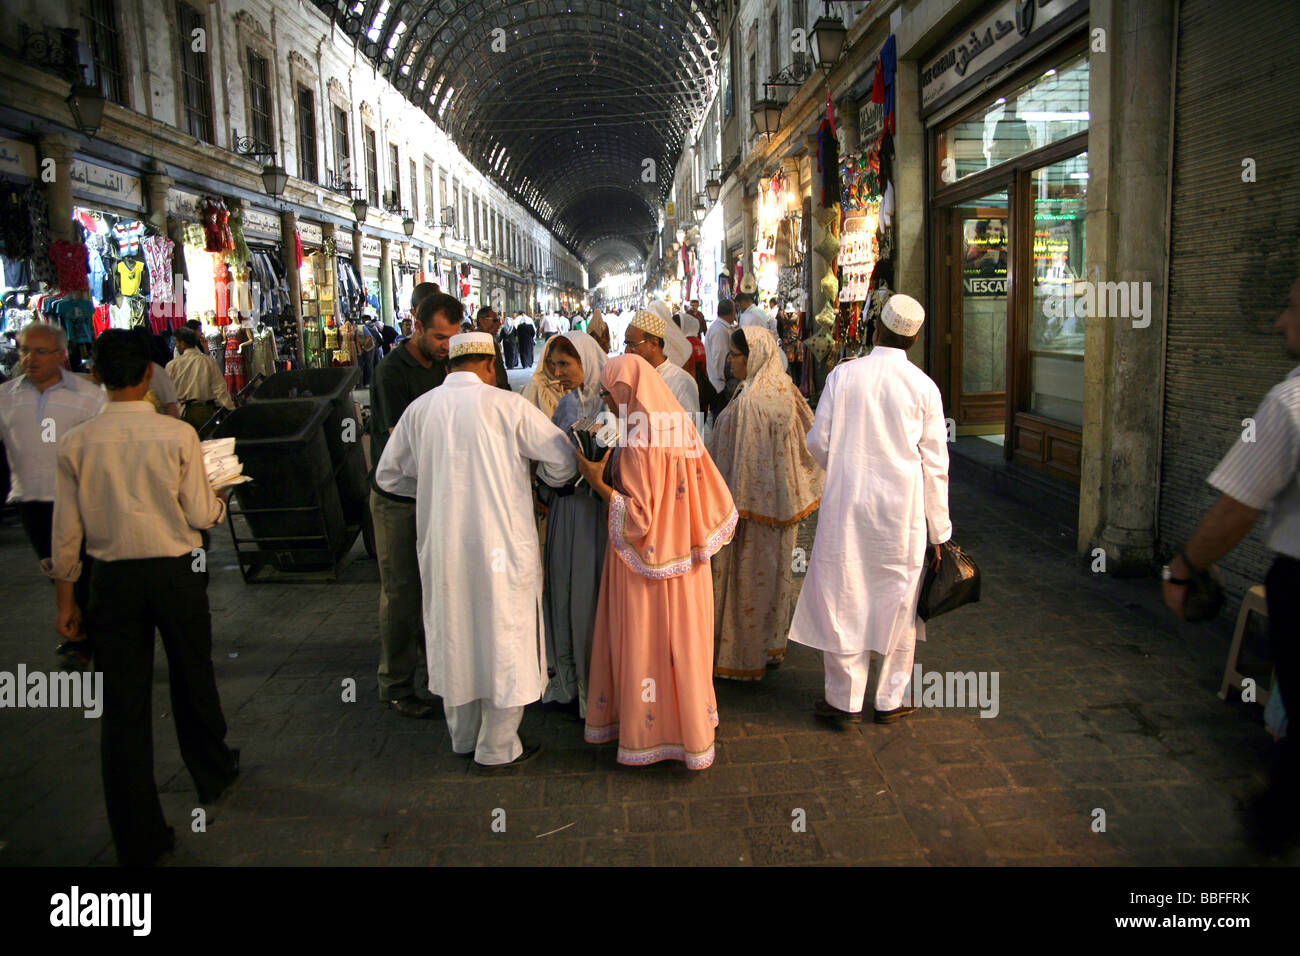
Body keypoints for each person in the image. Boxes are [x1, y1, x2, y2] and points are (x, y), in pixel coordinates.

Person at [49, 329, 239, 866]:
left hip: (109, 582)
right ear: (148, 376)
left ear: (95, 377)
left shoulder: (75, 443)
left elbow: (67, 534)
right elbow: (200, 516)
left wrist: (66, 604)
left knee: (124, 709)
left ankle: (138, 833)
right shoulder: (176, 435)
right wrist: (220, 499)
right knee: (191, 675)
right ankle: (212, 772)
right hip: (175, 576)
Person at [375, 332, 578, 767]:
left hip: (444, 549)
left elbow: (389, 477)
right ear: (489, 365)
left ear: (450, 366)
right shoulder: (508, 407)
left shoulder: (420, 411)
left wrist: (432, 487)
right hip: (501, 550)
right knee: (503, 634)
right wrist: (543, 481)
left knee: (455, 633)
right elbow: (562, 459)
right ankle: (498, 745)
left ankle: (464, 737)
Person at [1163, 275, 1300, 853]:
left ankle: (1275, 822)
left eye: (1292, 308)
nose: (1279, 322)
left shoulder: (1289, 403)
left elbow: (1238, 507)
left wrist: (1184, 568)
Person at [789, 294, 952, 724]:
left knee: (845, 597)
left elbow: (818, 443)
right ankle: (889, 700)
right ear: (914, 339)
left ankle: (843, 700)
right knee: (899, 601)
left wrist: (845, 463)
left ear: (875, 329)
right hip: (902, 520)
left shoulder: (844, 377)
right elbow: (936, 466)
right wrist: (941, 533)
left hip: (848, 509)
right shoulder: (925, 389)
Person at [576, 354, 738, 769]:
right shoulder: (676, 423)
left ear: (628, 391)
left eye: (611, 395)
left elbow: (639, 518)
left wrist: (597, 483)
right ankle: (689, 729)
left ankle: (651, 735)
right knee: (682, 647)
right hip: (685, 561)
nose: (609, 405)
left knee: (648, 646)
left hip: (644, 568)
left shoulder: (638, 440)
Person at [369, 292, 465, 718]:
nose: (447, 346)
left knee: (435, 585)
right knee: (402, 590)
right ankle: (395, 685)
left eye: (453, 339)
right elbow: (400, 439)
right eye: (440, 337)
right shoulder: (392, 372)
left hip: (433, 490)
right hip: (399, 498)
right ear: (416, 327)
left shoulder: (447, 366)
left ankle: (438, 673)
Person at [710, 327, 823, 679]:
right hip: (779, 510)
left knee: (745, 585)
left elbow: (746, 464)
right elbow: (811, 441)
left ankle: (742, 657)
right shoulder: (783, 389)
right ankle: (768, 648)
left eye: (736, 355)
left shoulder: (752, 402)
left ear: (754, 356)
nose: (730, 360)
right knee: (772, 580)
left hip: (747, 513)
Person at [0, 322, 105, 664]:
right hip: (33, 500)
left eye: (39, 352)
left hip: (78, 500)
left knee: (85, 570)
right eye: (25, 351)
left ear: (61, 355)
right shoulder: (6, 397)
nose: (30, 359)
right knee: (55, 570)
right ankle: (79, 632)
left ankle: (92, 635)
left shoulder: (87, 396)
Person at [537, 332, 608, 714]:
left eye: (566, 364)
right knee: (564, 589)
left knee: (589, 592)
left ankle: (594, 685)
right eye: (554, 366)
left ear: (588, 362)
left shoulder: (612, 406)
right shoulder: (565, 406)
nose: (559, 373)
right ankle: (568, 678)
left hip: (594, 513)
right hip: (566, 511)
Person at [625, 305, 700, 418]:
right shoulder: (632, 377)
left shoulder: (681, 382)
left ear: (654, 343)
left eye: (632, 344)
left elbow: (690, 429)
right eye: (626, 344)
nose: (627, 351)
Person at [168, 327, 234, 431]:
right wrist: (230, 409)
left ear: (183, 343)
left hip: (181, 413)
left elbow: (168, 393)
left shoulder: (172, 365)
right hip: (204, 412)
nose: (176, 345)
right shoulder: (207, 362)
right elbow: (220, 390)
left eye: (177, 342)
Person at [705, 298, 740, 421]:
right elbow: (720, 358)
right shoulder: (719, 331)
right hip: (719, 386)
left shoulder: (723, 328)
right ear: (732, 313)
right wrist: (725, 380)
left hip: (721, 384)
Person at [521, 335, 567, 421]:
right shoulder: (535, 389)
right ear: (544, 361)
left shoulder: (570, 386)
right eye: (553, 363)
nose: (558, 371)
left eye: (563, 363)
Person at [476, 306, 511, 390]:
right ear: (482, 321)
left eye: (498, 320)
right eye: (495, 320)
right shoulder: (479, 341)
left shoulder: (490, 338)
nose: (499, 323)